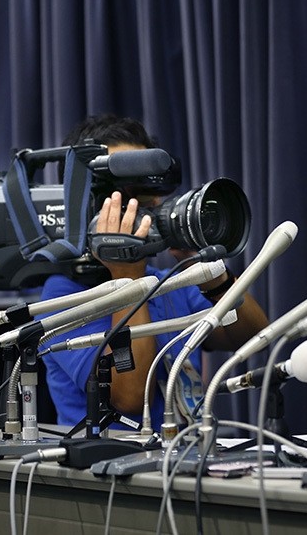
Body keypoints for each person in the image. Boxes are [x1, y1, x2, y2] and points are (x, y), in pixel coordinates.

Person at [39, 114, 269, 429]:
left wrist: (211, 271)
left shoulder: (171, 282)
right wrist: (127, 277)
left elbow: (252, 336)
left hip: (186, 458)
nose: (147, 205)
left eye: (149, 190)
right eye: (128, 190)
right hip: (107, 465)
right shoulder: (62, 294)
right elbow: (131, 398)